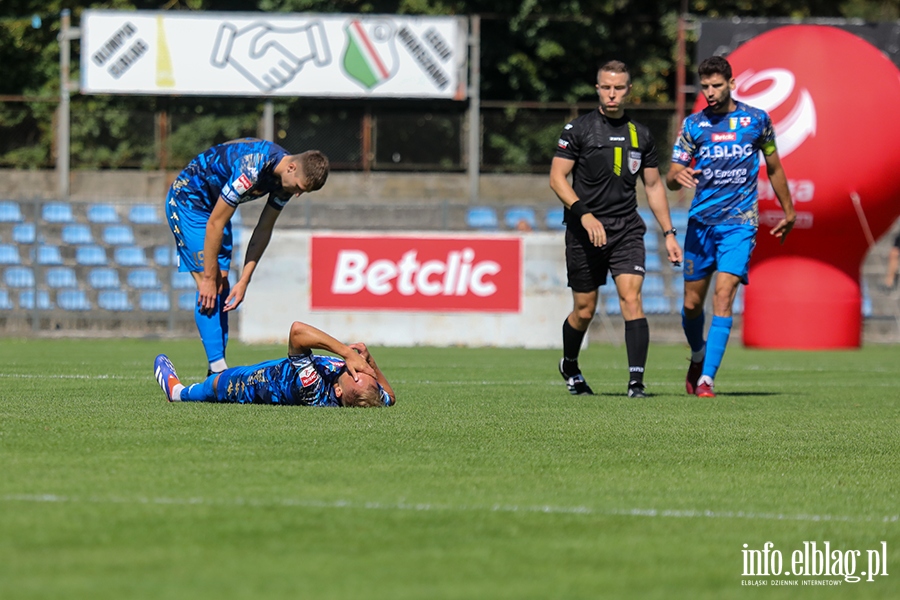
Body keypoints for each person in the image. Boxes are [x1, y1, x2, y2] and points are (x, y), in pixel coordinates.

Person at [551, 60, 683, 398]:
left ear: (629, 90)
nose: (613, 93)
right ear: (597, 89)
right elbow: (556, 178)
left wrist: (669, 233)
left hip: (626, 230)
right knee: (584, 310)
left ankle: (636, 382)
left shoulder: (642, 134)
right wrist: (584, 214)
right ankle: (570, 364)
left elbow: (653, 187)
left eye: (619, 87)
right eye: (606, 87)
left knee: (631, 299)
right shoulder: (577, 129)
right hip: (584, 232)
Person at [667, 56, 796, 398]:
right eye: (705, 86)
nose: (710, 92)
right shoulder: (694, 126)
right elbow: (671, 175)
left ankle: (707, 379)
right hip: (700, 224)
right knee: (693, 306)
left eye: (716, 85)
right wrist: (676, 178)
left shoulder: (756, 121)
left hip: (739, 224)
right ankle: (697, 355)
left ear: (731, 83)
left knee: (724, 297)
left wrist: (789, 211)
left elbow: (774, 167)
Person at [165, 138, 329, 376]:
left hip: (215, 209)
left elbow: (263, 229)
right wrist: (209, 277)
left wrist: (244, 280)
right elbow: (215, 224)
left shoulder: (284, 181)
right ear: (292, 167)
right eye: (299, 188)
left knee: (222, 286)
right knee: (207, 285)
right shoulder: (252, 169)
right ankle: (219, 371)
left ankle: (215, 372)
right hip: (189, 202)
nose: (297, 195)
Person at [154, 320, 395, 408]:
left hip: (256, 384)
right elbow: (390, 397)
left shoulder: (313, 390)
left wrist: (346, 353)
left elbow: (297, 332)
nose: (359, 369)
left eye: (358, 374)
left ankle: (177, 392)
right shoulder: (370, 395)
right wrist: (369, 359)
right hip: (276, 369)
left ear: (338, 391)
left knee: (215, 385)